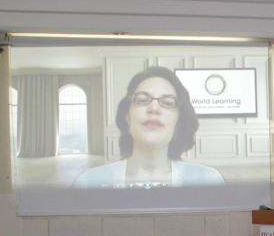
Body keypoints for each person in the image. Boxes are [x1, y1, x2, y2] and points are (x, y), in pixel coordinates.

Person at [73, 67, 225, 188]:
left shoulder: (210, 180)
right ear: (127, 117)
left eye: (168, 102)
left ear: (178, 122)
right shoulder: (88, 182)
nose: (154, 108)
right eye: (142, 100)